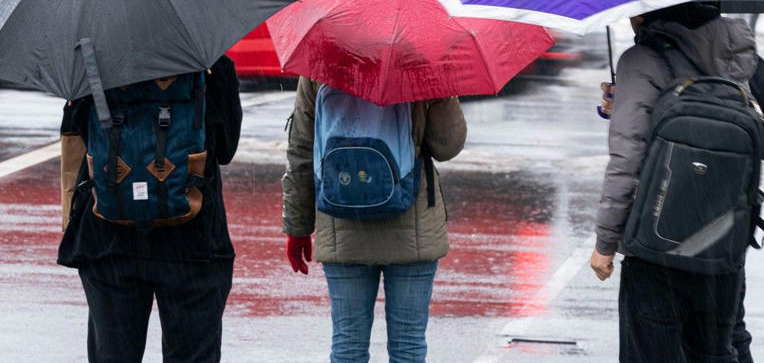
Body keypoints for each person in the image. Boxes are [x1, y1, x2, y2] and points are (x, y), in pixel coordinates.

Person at [590, 2, 758, 362]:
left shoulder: (641, 60)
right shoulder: (734, 48)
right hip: (724, 236)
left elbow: (627, 159)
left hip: (655, 243)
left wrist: (605, 242)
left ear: (649, 7)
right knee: (720, 351)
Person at [57, 56, 242, 363]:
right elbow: (225, 148)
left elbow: (76, 138)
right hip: (192, 242)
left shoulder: (90, 61)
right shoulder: (207, 58)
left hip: (109, 239)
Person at [282, 77, 466, 363]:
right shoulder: (421, 66)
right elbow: (447, 146)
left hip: (341, 220)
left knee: (348, 347)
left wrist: (298, 227)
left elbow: (302, 151)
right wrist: (441, 89)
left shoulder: (320, 64)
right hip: (412, 227)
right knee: (408, 347)